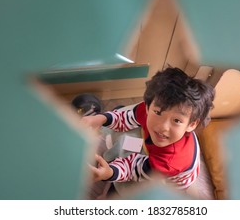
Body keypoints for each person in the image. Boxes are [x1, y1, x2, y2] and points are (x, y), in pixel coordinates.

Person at [81, 67, 215, 191]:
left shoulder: (170, 162)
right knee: (119, 112)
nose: (163, 127)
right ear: (147, 107)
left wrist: (110, 173)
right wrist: (100, 119)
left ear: (191, 124)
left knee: (123, 189)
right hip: (158, 154)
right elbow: (126, 115)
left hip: (168, 179)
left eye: (176, 120)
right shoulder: (149, 108)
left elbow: (135, 169)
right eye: (158, 113)